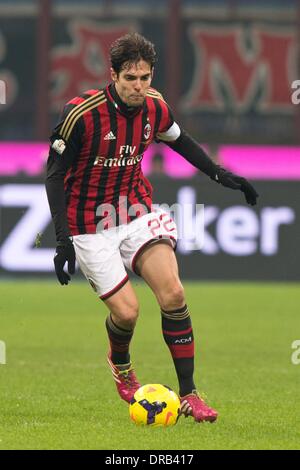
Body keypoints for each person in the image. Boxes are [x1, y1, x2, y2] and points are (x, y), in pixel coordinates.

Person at [46, 32, 258, 423]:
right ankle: (122, 363)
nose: (139, 87)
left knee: (173, 292)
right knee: (127, 314)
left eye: (145, 78)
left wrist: (221, 175)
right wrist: (62, 241)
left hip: (136, 210)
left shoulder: (155, 107)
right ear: (113, 75)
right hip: (90, 224)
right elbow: (55, 175)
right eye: (131, 79)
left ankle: (191, 394)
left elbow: (183, 142)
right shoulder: (82, 114)